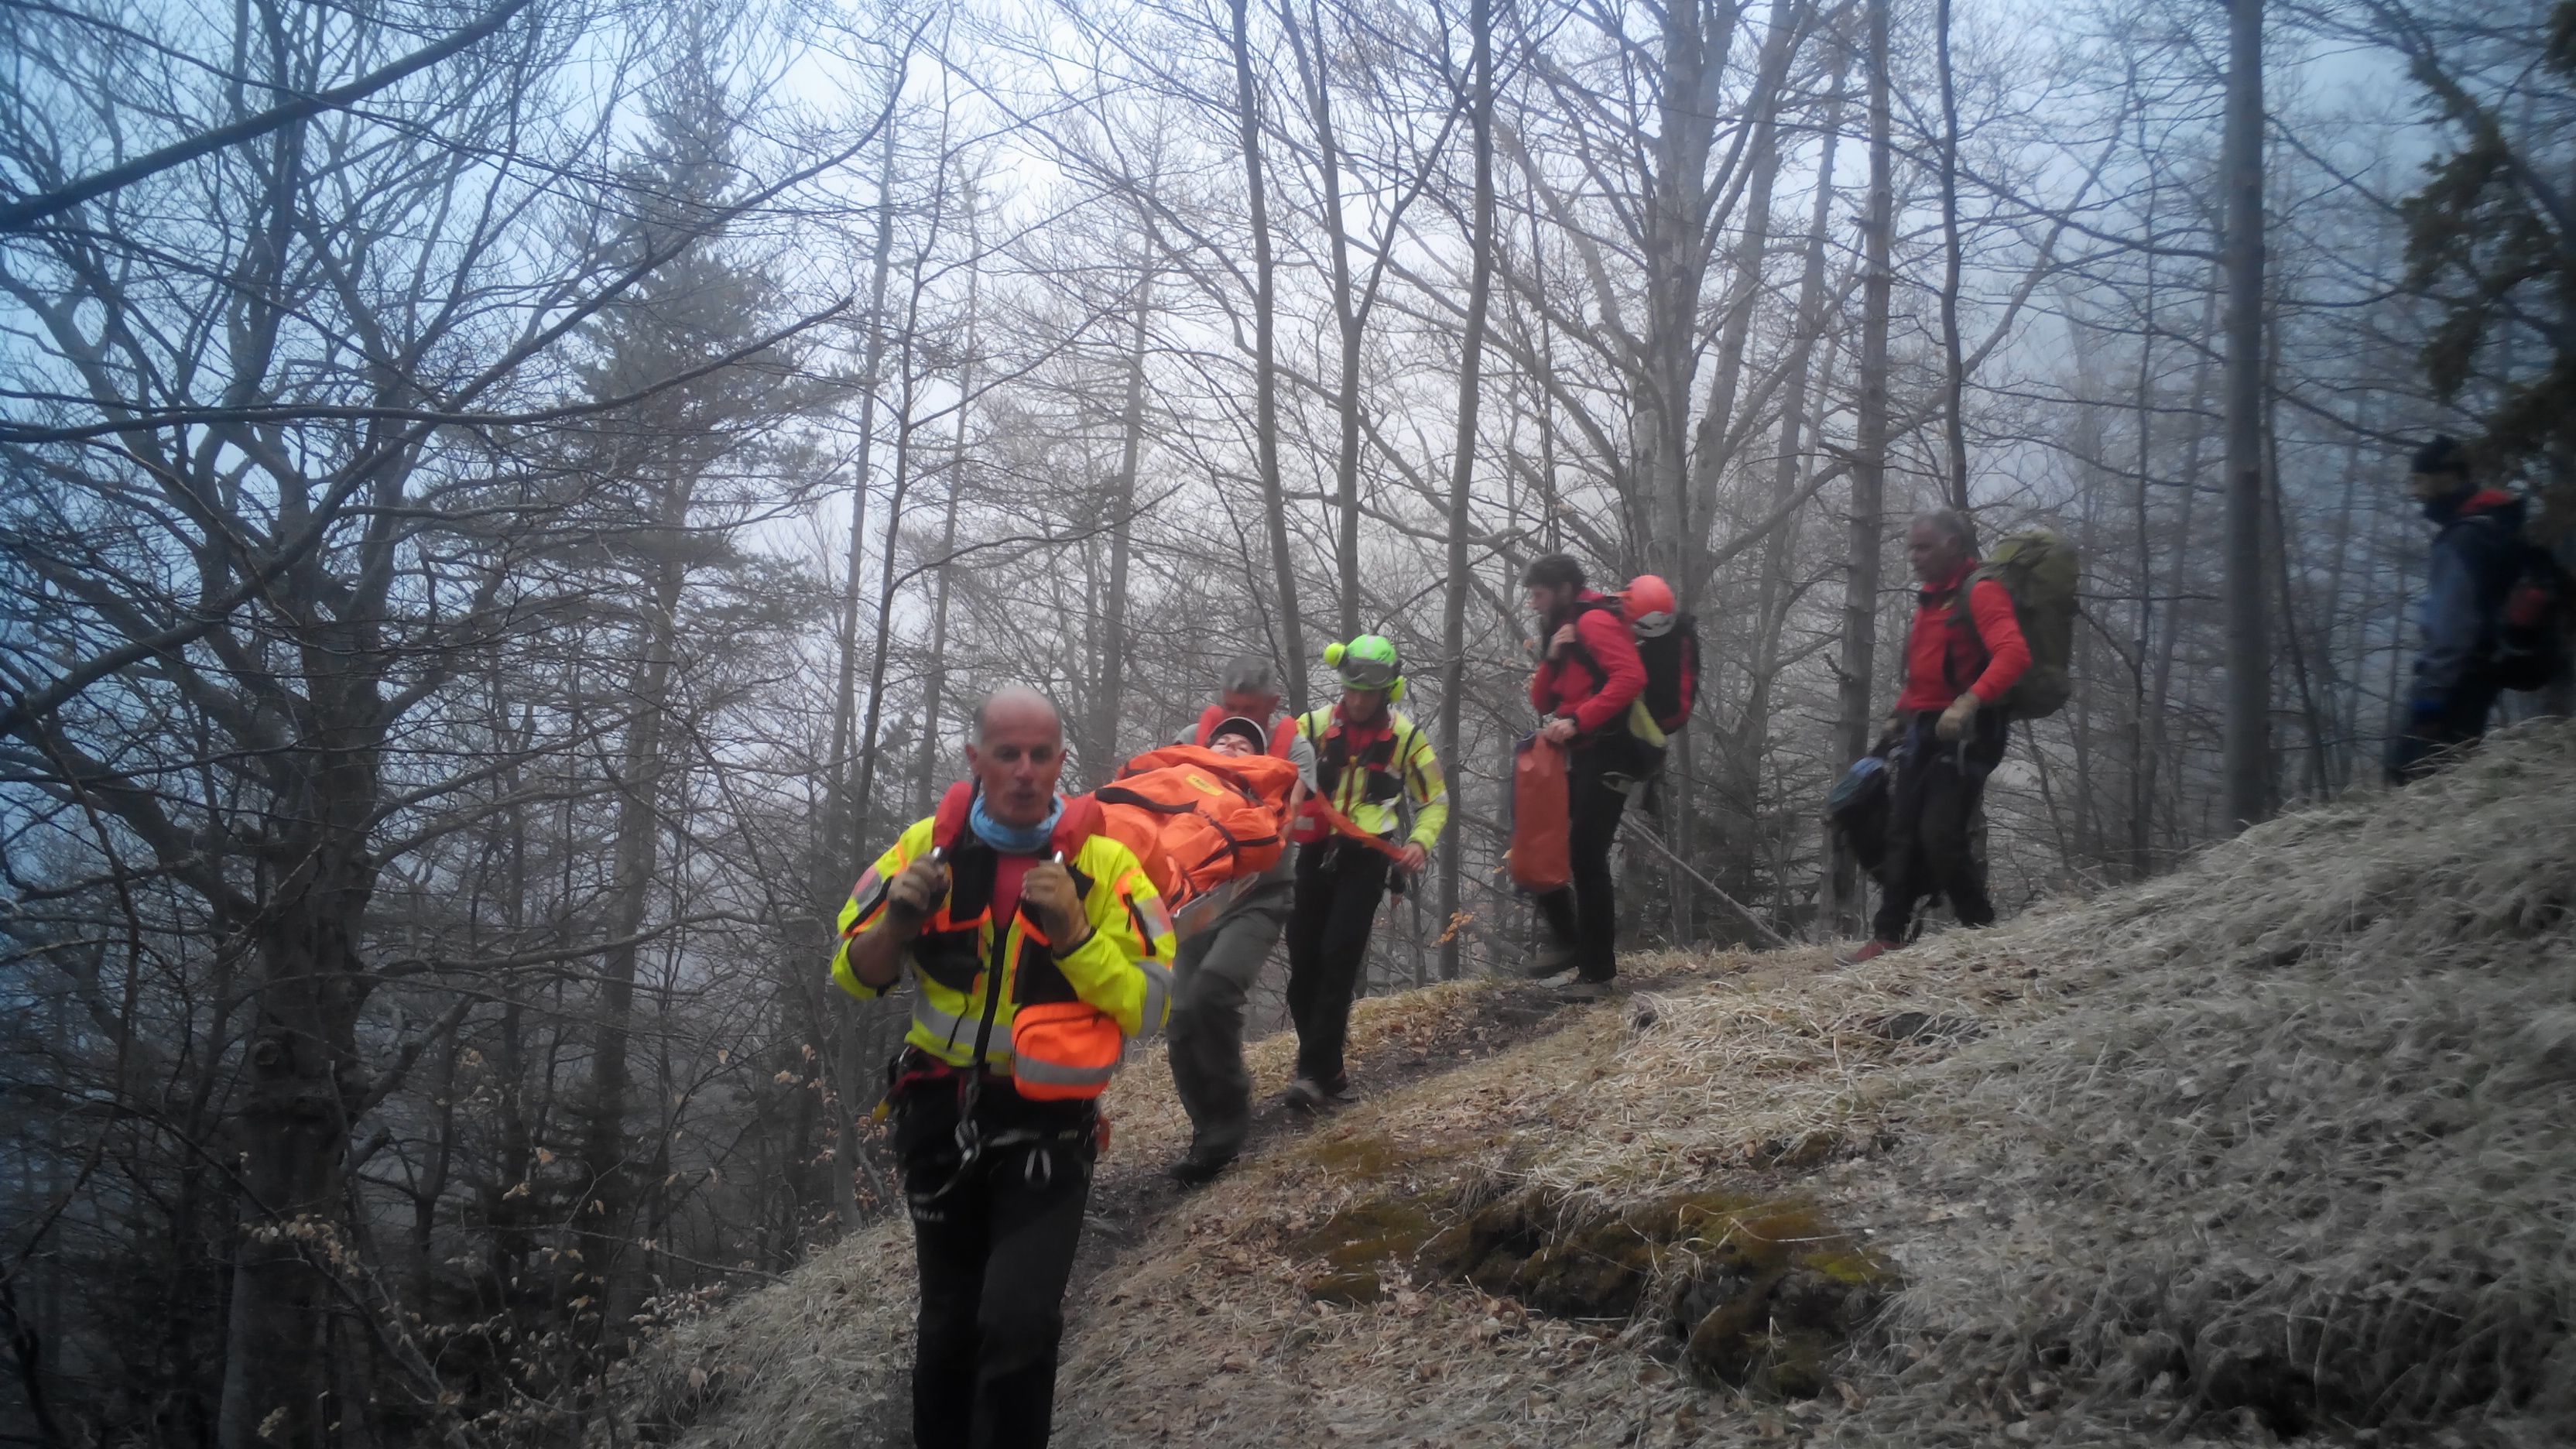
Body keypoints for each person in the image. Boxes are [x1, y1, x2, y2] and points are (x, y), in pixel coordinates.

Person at [828, 687, 1174, 1449]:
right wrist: (897, 924)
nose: (1023, 771)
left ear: (1059, 762)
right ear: (974, 758)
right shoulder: (925, 848)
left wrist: (1077, 936)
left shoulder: (1110, 863)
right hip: (937, 1115)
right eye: (1006, 753)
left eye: (1040, 754)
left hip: (1050, 1124)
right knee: (949, 1321)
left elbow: (1151, 1007)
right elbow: (852, 973)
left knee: (1018, 1320)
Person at [1837, 510, 2030, 968]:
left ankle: (1980, 930)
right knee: (1900, 829)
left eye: (1924, 547)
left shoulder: (1980, 591)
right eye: (1911, 548)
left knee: (1938, 832)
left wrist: (1968, 703)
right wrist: (1897, 717)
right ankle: (1888, 935)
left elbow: (2014, 653)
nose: (1914, 557)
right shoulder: (1932, 597)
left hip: (1968, 731)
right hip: (1923, 727)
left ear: (1954, 545)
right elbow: (1926, 672)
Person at [1163, 656, 1317, 1184]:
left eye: (1248, 712)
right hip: (1197, 899)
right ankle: (1206, 1129)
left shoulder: (1292, 748)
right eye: (1229, 710)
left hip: (1261, 894)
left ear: (1271, 707)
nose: (1236, 720)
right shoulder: (1192, 738)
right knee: (1181, 1017)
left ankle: (1230, 1113)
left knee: (1213, 991)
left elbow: (1291, 811)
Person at [1282, 635, 1447, 1108]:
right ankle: (1329, 1068)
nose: (1357, 701)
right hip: (1313, 854)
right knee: (1303, 965)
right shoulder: (1309, 728)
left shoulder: (1408, 739)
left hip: (1367, 861)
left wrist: (1419, 842)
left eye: (1368, 693)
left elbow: (1435, 800)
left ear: (1387, 691)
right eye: (1351, 690)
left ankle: (1311, 1074)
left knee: (1338, 959)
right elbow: (1269, 772)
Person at [1521, 553, 1649, 999]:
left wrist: (1579, 721)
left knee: (1586, 854)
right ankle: (1573, 943)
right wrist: (1552, 657)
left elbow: (1631, 677)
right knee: (1544, 841)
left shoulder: (1595, 622)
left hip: (1612, 751)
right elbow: (1541, 701)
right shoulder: (1564, 629)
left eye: (1538, 595)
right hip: (1581, 754)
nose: (1533, 605)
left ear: (1564, 590)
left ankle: (1598, 972)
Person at [2389, 435, 2525, 783]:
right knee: (2451, 784)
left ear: (2447, 476)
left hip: (2452, 686)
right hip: (2481, 678)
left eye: (2417, 480)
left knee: (2409, 780)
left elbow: (2451, 630)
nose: (2413, 491)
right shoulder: (2496, 527)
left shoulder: (2462, 539)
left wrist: (2429, 705)